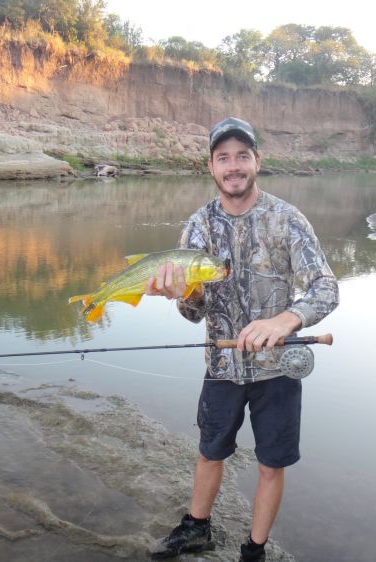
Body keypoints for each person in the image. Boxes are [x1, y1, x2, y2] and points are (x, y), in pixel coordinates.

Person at [145, 116, 339, 561]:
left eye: (242, 156)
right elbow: (193, 314)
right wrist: (184, 291)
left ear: (256, 162)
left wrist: (286, 320)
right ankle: (197, 529)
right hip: (221, 365)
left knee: (271, 464)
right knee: (210, 452)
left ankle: (254, 549)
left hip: (279, 368)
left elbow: (326, 288)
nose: (233, 166)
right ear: (211, 167)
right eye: (223, 158)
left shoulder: (287, 220)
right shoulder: (198, 227)